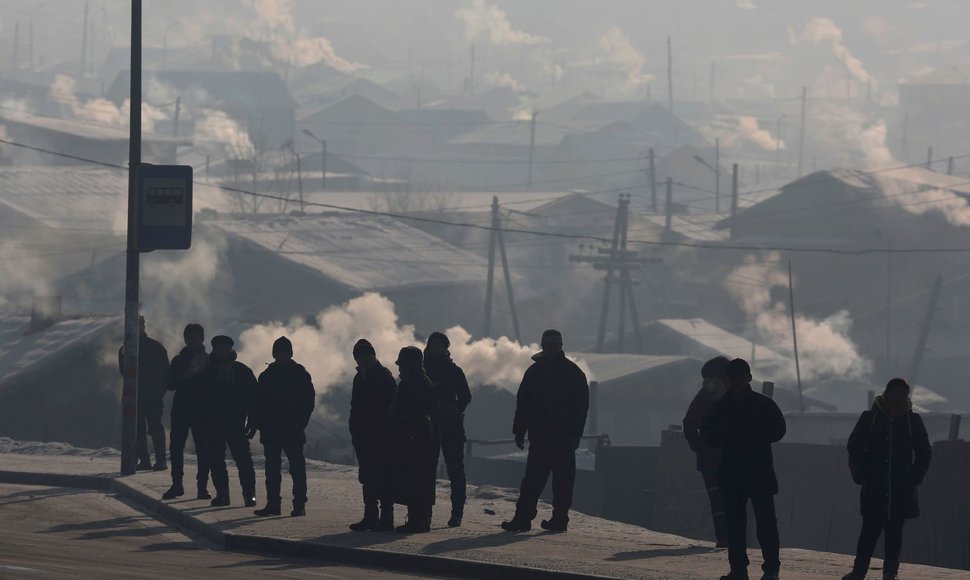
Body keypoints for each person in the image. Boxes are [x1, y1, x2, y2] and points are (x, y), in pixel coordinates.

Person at [703, 358, 786, 580]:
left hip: (750, 474)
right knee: (743, 526)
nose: (737, 382)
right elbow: (708, 435)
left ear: (747, 378)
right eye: (735, 378)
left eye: (739, 377)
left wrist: (743, 435)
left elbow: (778, 431)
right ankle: (746, 570)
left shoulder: (728, 406)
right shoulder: (756, 404)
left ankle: (763, 570)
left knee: (760, 525)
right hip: (745, 474)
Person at [842, 378, 931, 580]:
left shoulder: (912, 421)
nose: (898, 398)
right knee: (868, 532)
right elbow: (854, 446)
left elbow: (924, 452)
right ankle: (859, 571)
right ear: (886, 394)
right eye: (895, 393)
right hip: (874, 486)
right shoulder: (870, 418)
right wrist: (863, 471)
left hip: (901, 489)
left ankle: (890, 573)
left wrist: (914, 477)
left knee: (894, 533)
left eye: (903, 395)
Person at [502, 329, 589, 533]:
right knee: (533, 481)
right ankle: (523, 519)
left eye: (554, 345)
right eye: (547, 345)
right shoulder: (535, 372)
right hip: (541, 436)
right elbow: (523, 404)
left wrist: (573, 436)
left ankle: (558, 519)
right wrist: (519, 430)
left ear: (560, 346)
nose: (550, 349)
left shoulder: (572, 373)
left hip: (561, 438)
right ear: (542, 345)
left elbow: (580, 409)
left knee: (561, 482)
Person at [250, 337, 316, 518]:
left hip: (291, 429)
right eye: (278, 352)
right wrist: (259, 423)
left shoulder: (299, 375)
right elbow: (258, 403)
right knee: (272, 469)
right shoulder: (267, 375)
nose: (281, 355)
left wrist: (299, 424)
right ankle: (273, 504)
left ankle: (299, 505)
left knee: (296, 468)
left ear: (290, 353)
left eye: (284, 352)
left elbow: (308, 402)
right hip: (272, 429)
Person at [198, 335, 258, 507]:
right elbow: (199, 401)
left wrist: (253, 420)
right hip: (212, 424)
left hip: (236, 423)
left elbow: (253, 398)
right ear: (214, 349)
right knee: (216, 460)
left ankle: (249, 494)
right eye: (219, 347)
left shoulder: (242, 371)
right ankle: (223, 494)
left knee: (244, 460)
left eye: (225, 347)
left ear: (231, 349)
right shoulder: (206, 372)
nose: (222, 350)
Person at [424, 331, 472, 527]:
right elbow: (466, 397)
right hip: (430, 424)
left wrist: (453, 411)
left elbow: (465, 396)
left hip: (444, 425)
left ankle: (456, 512)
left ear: (446, 348)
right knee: (429, 470)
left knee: (453, 470)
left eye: (440, 345)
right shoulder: (424, 369)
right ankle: (426, 511)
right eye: (434, 344)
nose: (436, 348)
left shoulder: (451, 370)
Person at [348, 339, 397, 531]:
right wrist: (355, 431)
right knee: (367, 477)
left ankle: (386, 518)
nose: (364, 359)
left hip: (381, 436)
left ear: (374, 355)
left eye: (367, 355)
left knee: (382, 477)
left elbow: (388, 409)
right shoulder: (359, 378)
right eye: (360, 356)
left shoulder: (384, 377)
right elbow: (355, 408)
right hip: (363, 436)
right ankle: (370, 516)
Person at [683, 356, 730, 547]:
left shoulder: (704, 396)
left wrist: (700, 448)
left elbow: (689, 424)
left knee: (717, 500)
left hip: (710, 458)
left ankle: (724, 538)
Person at [389, 346, 437, 533]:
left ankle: (418, 520)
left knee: (415, 478)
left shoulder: (412, 383)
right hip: (419, 434)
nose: (400, 369)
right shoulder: (422, 381)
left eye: (402, 365)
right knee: (420, 477)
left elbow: (408, 410)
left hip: (413, 435)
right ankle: (420, 518)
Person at [163, 323, 212, 500]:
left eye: (195, 337)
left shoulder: (208, 360)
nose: (191, 340)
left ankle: (202, 487)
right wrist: (180, 377)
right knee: (176, 448)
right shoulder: (178, 360)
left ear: (201, 338)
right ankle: (177, 485)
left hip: (202, 410)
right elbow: (169, 384)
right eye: (189, 337)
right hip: (181, 409)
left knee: (203, 449)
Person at [118, 315, 170, 471]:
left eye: (137, 325)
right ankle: (145, 460)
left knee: (154, 427)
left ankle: (160, 460)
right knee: (137, 429)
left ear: (143, 326)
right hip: (134, 396)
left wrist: (158, 393)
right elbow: (124, 372)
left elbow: (164, 374)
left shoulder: (155, 348)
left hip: (151, 395)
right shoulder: (125, 349)